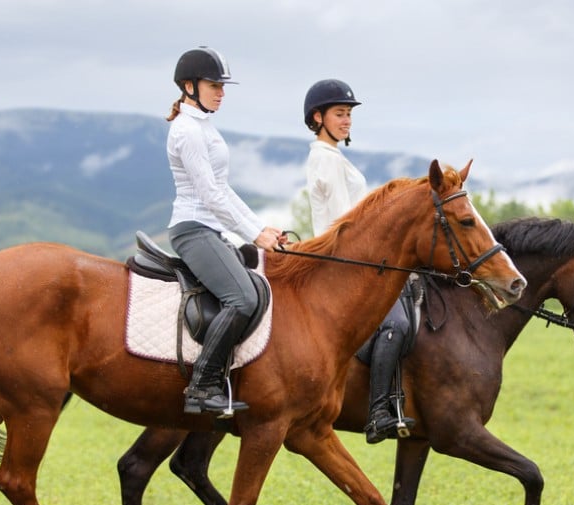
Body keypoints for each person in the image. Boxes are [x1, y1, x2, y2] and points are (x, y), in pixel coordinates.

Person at [166, 46, 286, 416]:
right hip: (193, 229)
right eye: (214, 85)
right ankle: (202, 386)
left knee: (254, 291)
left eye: (222, 86)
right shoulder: (187, 131)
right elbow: (210, 195)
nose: (221, 93)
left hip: (210, 229)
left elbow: (224, 189)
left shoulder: (204, 126)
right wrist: (253, 234)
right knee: (243, 299)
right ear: (189, 86)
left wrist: (260, 227)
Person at [303, 78, 415, 443]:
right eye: (339, 114)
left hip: (357, 262)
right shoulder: (325, 159)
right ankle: (378, 411)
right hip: (345, 265)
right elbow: (346, 224)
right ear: (317, 117)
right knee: (395, 323)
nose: (347, 120)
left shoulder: (335, 157)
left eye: (349, 114)